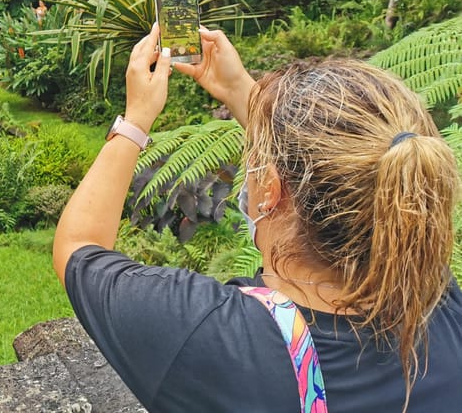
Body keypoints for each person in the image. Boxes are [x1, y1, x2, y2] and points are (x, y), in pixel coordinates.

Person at [53, 23, 462, 413]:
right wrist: (238, 90)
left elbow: (78, 247)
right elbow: (331, 171)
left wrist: (135, 121)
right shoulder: (436, 303)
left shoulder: (214, 336)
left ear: (270, 190)